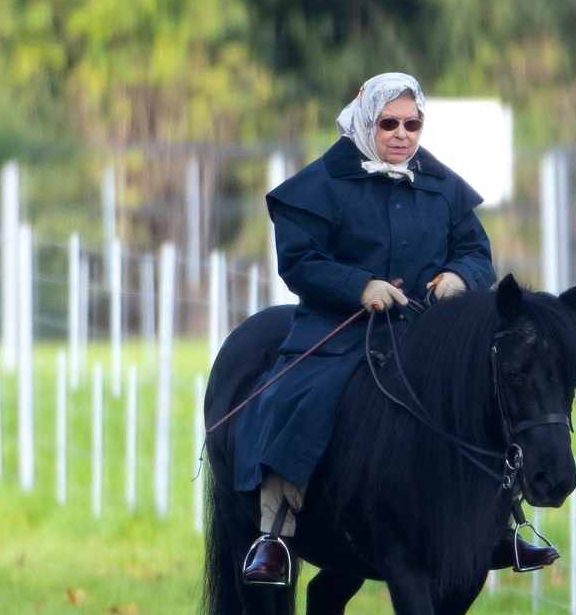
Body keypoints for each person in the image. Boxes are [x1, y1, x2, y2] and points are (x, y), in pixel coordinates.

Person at [235, 72, 559, 584]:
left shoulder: (442, 184)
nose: (401, 134)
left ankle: (501, 524)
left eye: (412, 123)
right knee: (299, 399)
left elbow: (477, 252)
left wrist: (459, 276)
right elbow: (299, 260)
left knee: (486, 395)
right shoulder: (320, 183)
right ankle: (275, 531)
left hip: (425, 330)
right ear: (368, 122)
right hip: (339, 328)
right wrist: (358, 286)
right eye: (389, 123)